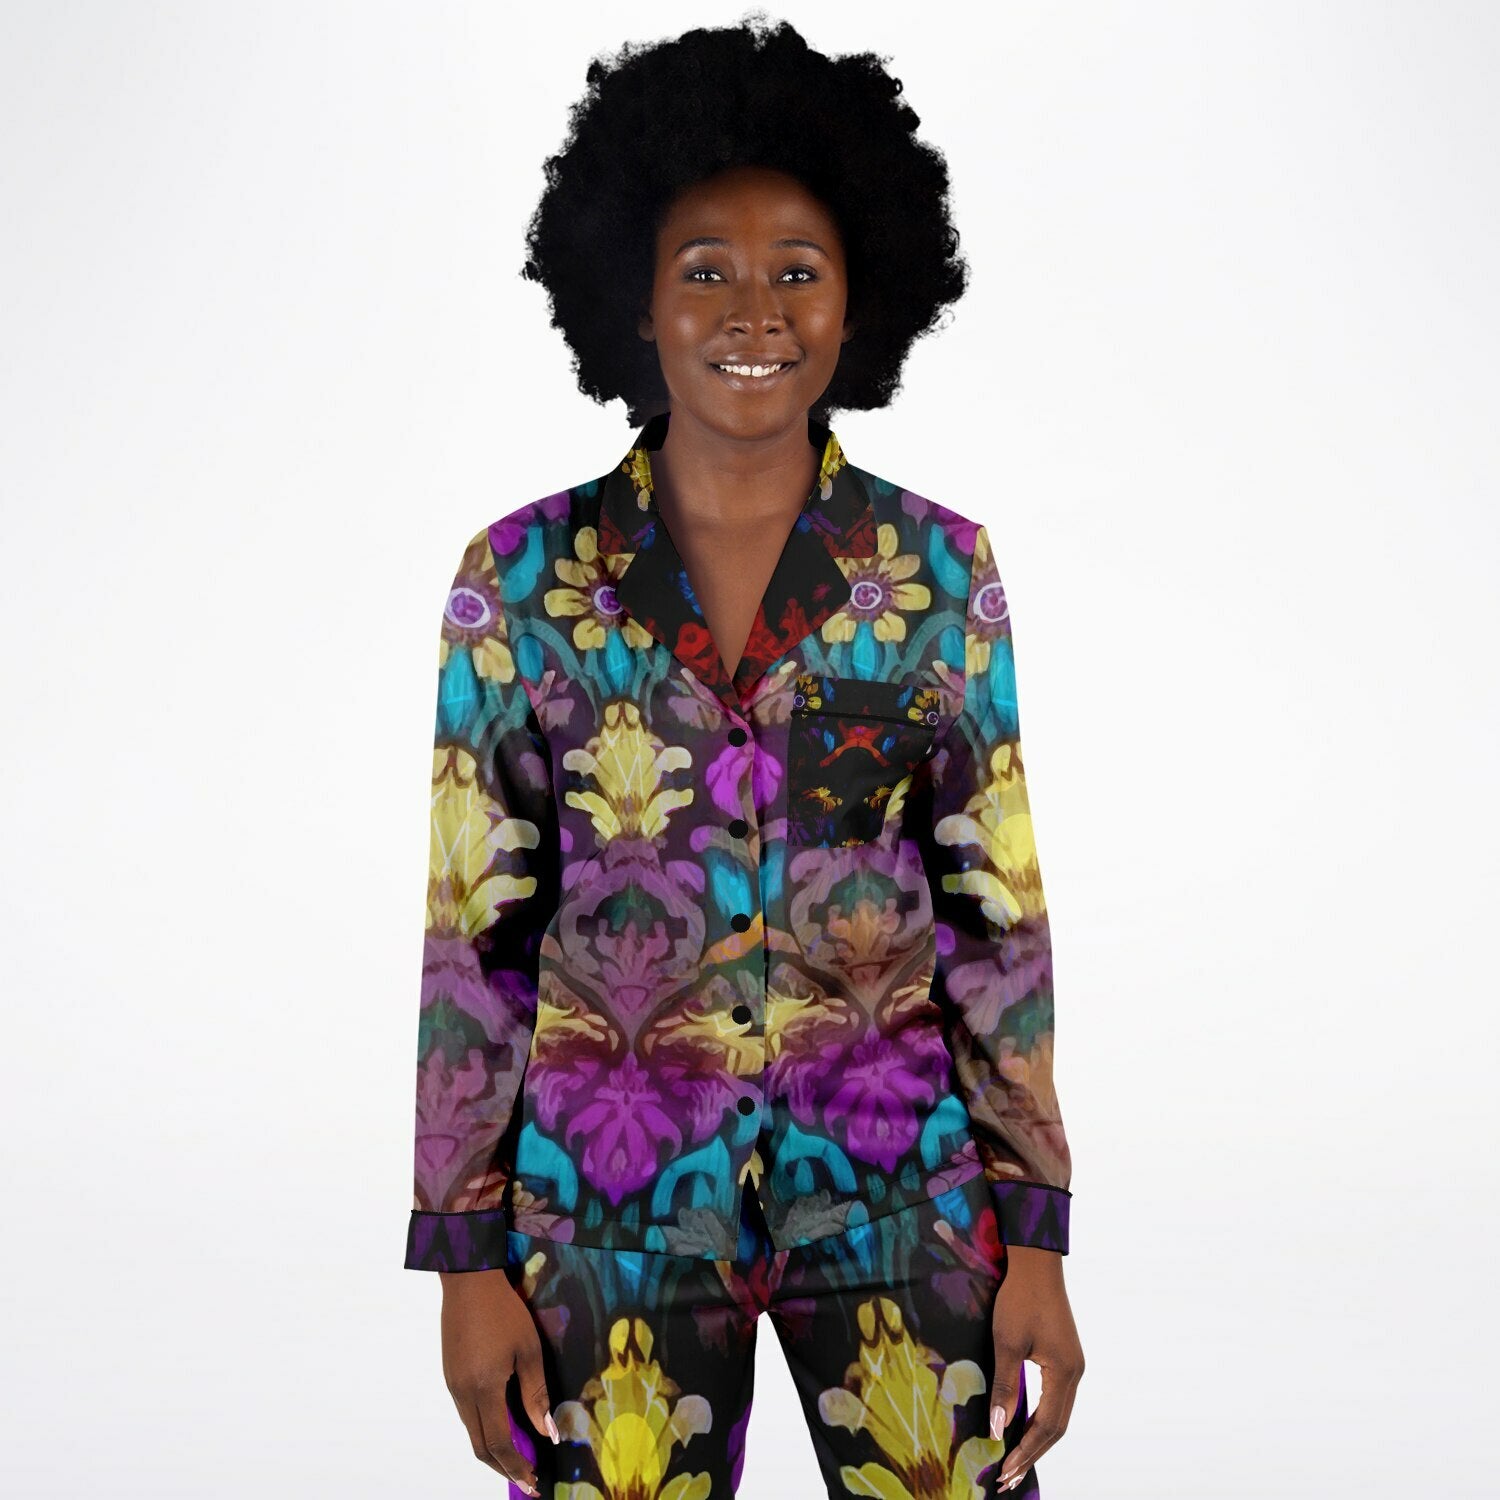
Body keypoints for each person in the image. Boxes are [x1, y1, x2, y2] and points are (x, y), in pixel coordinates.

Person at [404, 16, 1084, 1498]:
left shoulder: (939, 572)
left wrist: (1035, 1234)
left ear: (860, 299)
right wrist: (462, 1260)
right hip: (605, 1213)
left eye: (798, 269)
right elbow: (475, 941)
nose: (753, 309)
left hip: (902, 1197)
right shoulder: (515, 580)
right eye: (705, 269)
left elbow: (998, 922)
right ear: (635, 302)